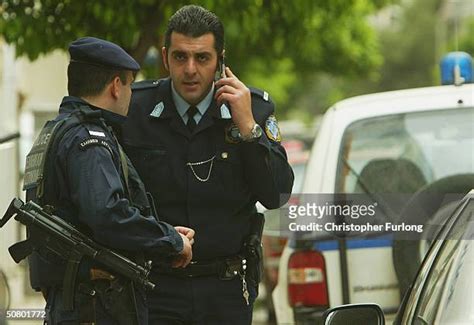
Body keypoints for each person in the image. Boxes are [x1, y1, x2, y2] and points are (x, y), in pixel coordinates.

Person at [120, 5, 294, 324]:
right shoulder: (135, 109)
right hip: (155, 287)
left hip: (226, 289)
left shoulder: (253, 108)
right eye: (180, 57)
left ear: (220, 60)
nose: (190, 70)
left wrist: (248, 129)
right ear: (164, 56)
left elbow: (277, 196)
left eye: (202, 58)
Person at [22, 37, 194, 325]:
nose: (130, 94)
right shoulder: (89, 139)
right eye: (128, 84)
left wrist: (157, 234)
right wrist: (170, 239)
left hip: (76, 301)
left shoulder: (55, 132)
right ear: (116, 86)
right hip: (96, 305)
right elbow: (107, 214)